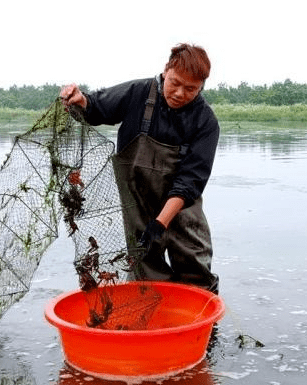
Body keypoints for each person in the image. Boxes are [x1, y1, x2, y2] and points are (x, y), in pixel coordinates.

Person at [60, 43, 220, 293]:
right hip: (138, 207)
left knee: (196, 279)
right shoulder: (138, 93)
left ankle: (204, 332)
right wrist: (80, 100)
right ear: (166, 70)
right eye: (175, 83)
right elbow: (95, 108)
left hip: (182, 212)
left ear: (201, 87)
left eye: (191, 89)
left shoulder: (205, 121)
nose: (179, 93)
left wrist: (161, 223)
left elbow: (190, 182)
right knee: (147, 280)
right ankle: (155, 329)